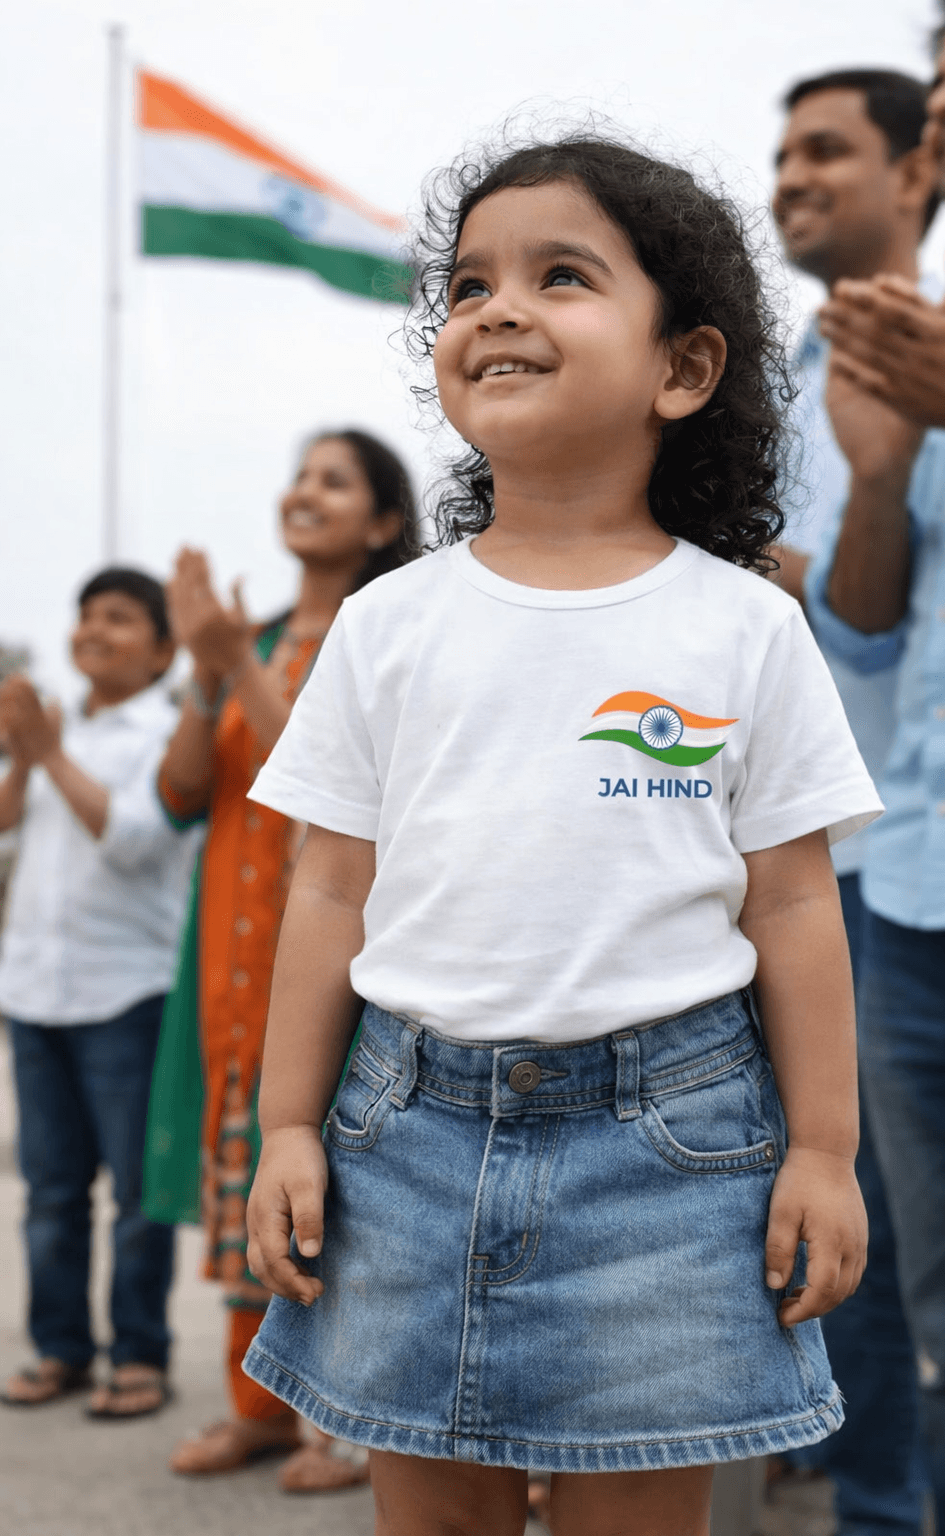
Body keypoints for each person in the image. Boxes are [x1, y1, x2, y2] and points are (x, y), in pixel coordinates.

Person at [241, 130, 884, 1536]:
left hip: (675, 1159)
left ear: (683, 369)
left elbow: (792, 905)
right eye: (469, 286)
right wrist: (287, 1126)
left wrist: (823, 1151)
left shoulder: (746, 627)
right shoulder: (387, 622)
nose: (498, 310)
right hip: (402, 1140)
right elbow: (328, 890)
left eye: (563, 275)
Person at [805, 4, 945, 1528]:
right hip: (924, 896)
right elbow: (871, 632)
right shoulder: (944, 308)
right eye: (944, 75)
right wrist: (882, 476)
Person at [156, 430, 417, 1491]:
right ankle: (257, 1406)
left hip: (337, 947)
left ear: (383, 523)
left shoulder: (384, 633)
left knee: (343, 1172)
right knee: (239, 1165)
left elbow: (323, 778)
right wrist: (208, 669)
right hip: (229, 946)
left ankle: (347, 1422)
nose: (303, 492)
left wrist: (233, 667)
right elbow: (182, 794)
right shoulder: (244, 636)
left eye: (333, 480)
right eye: (298, 475)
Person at [769, 69, 936, 1535]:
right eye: (782, 153)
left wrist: (783, 597)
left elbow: (857, 614)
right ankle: (859, 1471)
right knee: (833, 1202)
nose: (791, 175)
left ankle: (888, 1493)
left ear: (917, 166)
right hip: (807, 860)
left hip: (919, 855)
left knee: (909, 1230)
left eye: (827, 148)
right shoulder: (781, 371)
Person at [0, 568, 201, 1417]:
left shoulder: (164, 733)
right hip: (35, 989)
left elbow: (133, 843)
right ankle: (61, 1350)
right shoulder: (57, 728)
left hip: (127, 993)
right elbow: (8, 821)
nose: (93, 632)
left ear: (162, 649)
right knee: (50, 1189)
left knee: (136, 1190)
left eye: (119, 619)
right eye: (86, 617)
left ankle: (141, 1356)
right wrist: (24, 759)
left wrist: (45, 754)